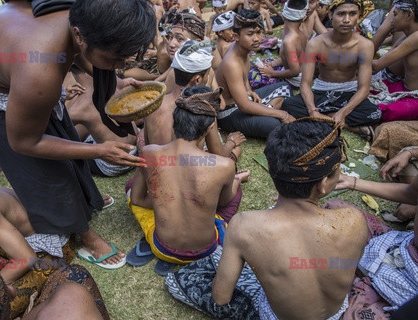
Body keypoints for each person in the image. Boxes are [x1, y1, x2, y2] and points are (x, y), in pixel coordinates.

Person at [0, 0, 156, 268]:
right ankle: (84, 235)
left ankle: (86, 200)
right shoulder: (40, 72)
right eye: (115, 59)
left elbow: (77, 50)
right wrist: (99, 150)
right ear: (80, 35)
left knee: (64, 136)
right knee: (44, 170)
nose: (120, 64)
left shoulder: (84, 16)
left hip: (20, 64)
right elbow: (26, 142)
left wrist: (115, 80)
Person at [166, 117, 370, 319]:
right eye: (337, 171)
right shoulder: (355, 219)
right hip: (336, 313)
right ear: (324, 183)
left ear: (273, 172)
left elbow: (220, 298)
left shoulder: (245, 227)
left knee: (181, 278)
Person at [128, 88, 250, 275]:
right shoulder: (224, 165)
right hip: (206, 250)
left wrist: (164, 200)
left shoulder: (149, 152)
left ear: (174, 121)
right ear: (210, 128)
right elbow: (223, 203)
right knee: (234, 188)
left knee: (131, 186)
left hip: (162, 247)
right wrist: (236, 179)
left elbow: (136, 199)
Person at [281, 0, 381, 141]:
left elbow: (364, 88)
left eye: (352, 14)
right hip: (321, 90)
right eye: (341, 14)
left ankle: (325, 118)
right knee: (289, 105)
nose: (346, 20)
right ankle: (346, 125)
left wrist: (343, 112)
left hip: (349, 91)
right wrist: (312, 110)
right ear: (331, 15)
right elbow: (305, 83)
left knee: (375, 113)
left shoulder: (365, 45)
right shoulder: (316, 43)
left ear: (358, 15)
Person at [335, 149, 418, 312]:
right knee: (337, 212)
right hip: (403, 246)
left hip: (410, 286)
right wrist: (352, 182)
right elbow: (411, 193)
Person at [215, 9, 294, 139]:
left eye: (258, 32)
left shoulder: (244, 51)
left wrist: (249, 91)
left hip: (242, 101)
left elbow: (244, 79)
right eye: (250, 34)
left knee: (284, 87)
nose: (257, 38)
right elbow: (244, 105)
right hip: (230, 113)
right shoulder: (232, 63)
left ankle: (267, 109)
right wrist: (282, 114)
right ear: (236, 37)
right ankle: (270, 110)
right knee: (275, 125)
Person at [369, 0, 418, 122]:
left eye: (395, 15)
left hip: (414, 97)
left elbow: (375, 67)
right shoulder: (407, 35)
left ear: (409, 15)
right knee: (357, 92)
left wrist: (344, 59)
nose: (391, 19)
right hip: (401, 88)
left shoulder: (416, 37)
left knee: (377, 111)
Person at [257, 0, 309, 89]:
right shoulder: (300, 34)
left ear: (283, 17)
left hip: (295, 80)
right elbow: (293, 58)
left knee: (254, 76)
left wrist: (272, 73)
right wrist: (272, 64)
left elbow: (295, 71)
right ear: (303, 18)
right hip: (300, 74)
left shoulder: (289, 41)